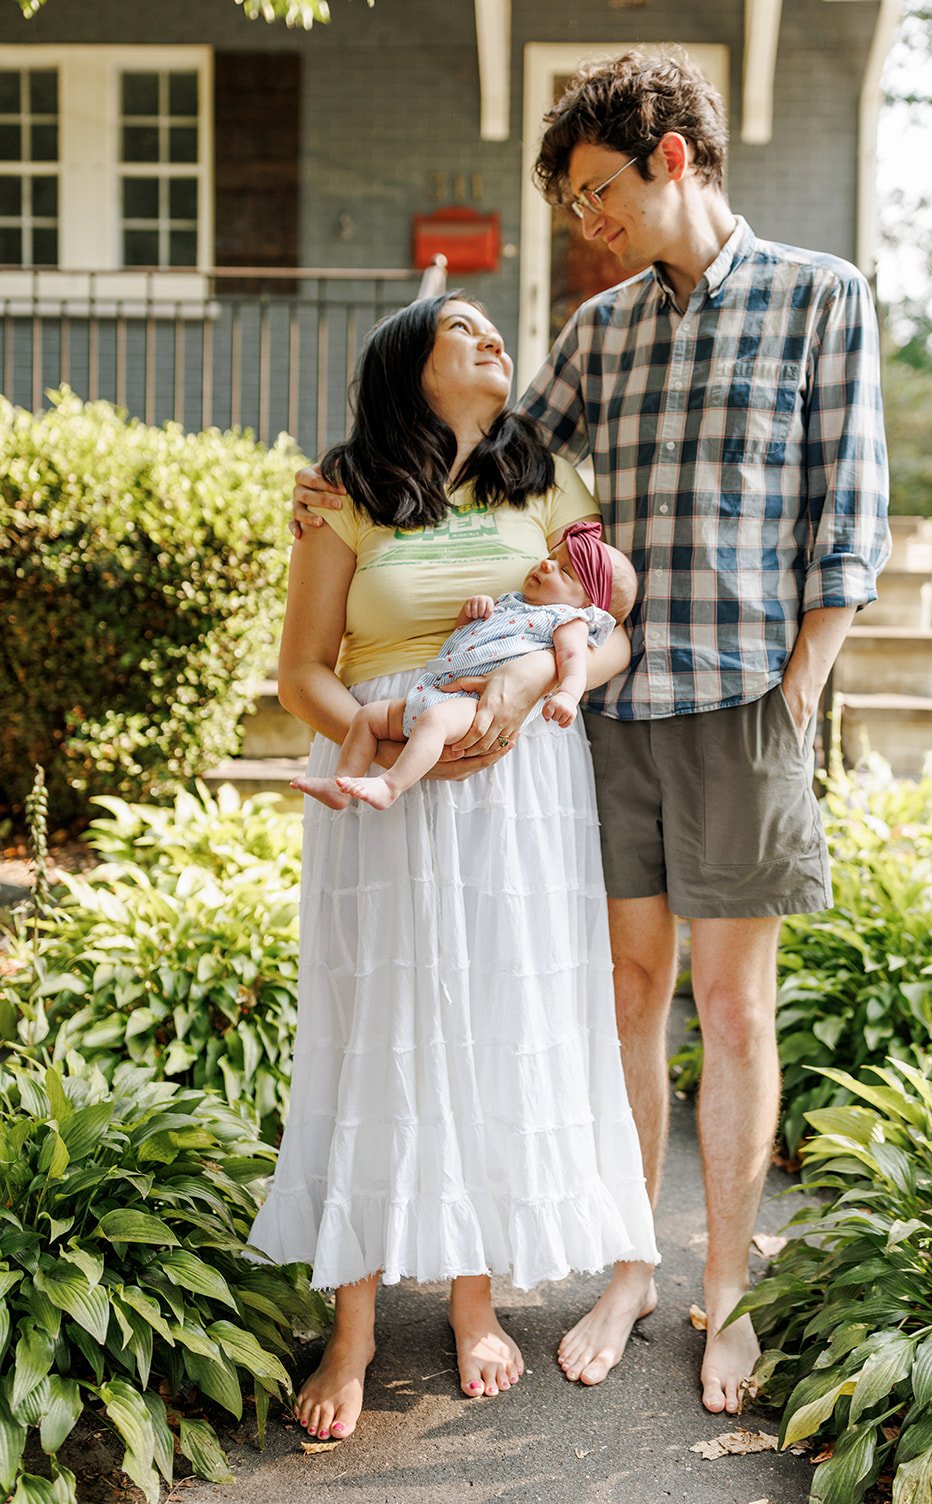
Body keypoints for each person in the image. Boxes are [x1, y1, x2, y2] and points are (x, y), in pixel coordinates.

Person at [290, 47, 891, 1417]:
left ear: (669, 157)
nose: (586, 224)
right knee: (623, 997)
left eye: (594, 194)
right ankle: (629, 1260)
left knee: (731, 1007)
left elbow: (847, 515)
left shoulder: (817, 297)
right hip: (604, 712)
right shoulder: (599, 331)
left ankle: (722, 1290)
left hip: (742, 705)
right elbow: (478, 463)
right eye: (569, 205)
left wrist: (801, 687)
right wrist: (330, 480)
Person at [248, 288, 659, 1446]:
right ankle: (354, 1322)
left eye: (491, 327)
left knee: (485, 1019)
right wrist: (377, 735)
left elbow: (605, 622)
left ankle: (475, 1297)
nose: (490, 338)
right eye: (459, 329)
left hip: (519, 786)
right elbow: (301, 673)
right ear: (407, 370)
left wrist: (534, 682)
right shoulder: (344, 490)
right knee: (380, 1023)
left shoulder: (549, 483)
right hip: (384, 776)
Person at [290, 524, 636, 811]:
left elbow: (573, 662)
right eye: (551, 557)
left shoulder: (568, 621)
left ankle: (390, 785)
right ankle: (341, 784)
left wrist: (567, 694)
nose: (546, 565)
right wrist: (469, 614)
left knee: (435, 722)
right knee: (367, 718)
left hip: (474, 705)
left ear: (589, 604)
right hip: (434, 689)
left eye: (564, 571)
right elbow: (463, 641)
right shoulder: (511, 603)